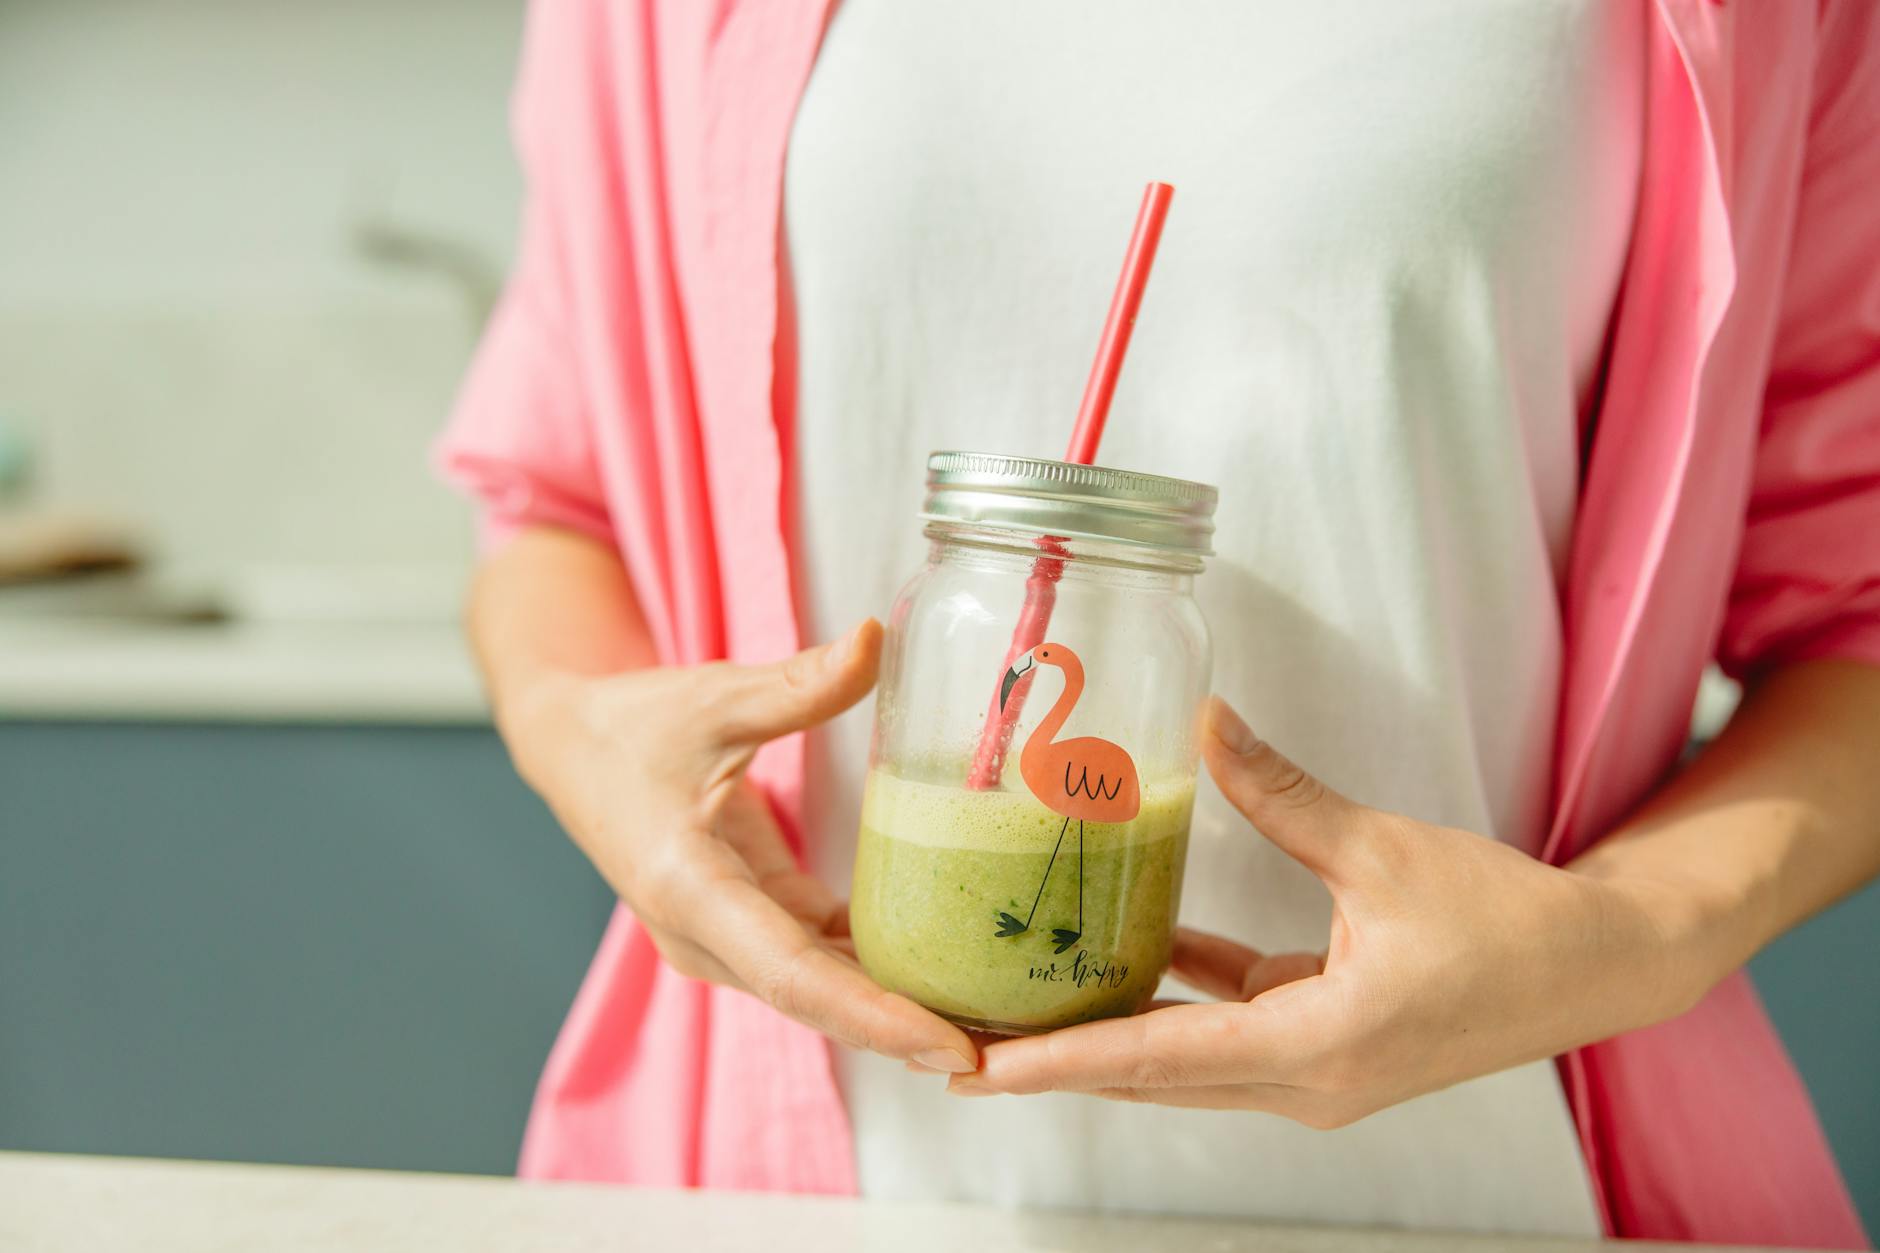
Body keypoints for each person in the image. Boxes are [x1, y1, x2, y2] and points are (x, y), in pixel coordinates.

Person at [436, 2, 1880, 1244]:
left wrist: (1626, 932)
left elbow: (1856, 615)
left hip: (1479, 1186)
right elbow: (557, 503)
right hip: (786, 1189)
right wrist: (584, 737)